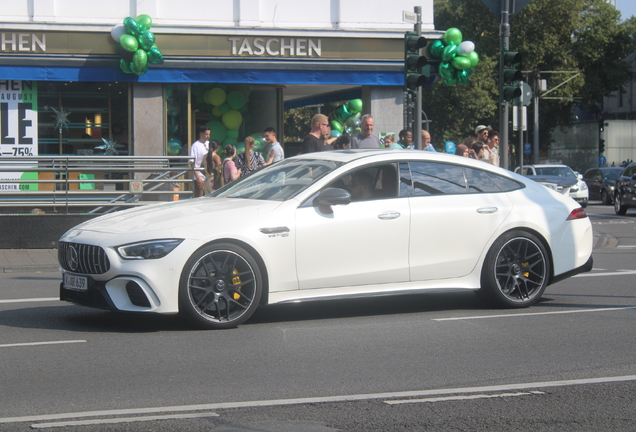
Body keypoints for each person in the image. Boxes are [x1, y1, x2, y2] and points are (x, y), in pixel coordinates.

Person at [190, 125, 210, 197]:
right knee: (199, 197)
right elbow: (192, 163)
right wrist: (198, 178)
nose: (208, 136)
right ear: (201, 134)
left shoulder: (209, 144)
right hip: (200, 176)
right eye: (206, 134)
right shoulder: (195, 146)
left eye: (209, 134)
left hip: (209, 176)